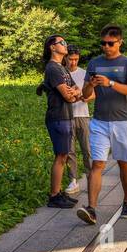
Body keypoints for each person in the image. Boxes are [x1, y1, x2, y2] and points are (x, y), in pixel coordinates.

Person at [76, 25, 127, 226]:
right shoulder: (94, 63)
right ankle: (92, 209)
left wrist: (110, 83)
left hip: (122, 121)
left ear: (119, 42)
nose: (106, 46)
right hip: (99, 121)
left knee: (123, 162)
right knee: (97, 163)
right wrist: (91, 85)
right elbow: (85, 95)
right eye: (103, 43)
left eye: (110, 43)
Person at [38, 34, 81, 207]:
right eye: (61, 42)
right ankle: (54, 196)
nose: (65, 44)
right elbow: (68, 95)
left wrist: (75, 93)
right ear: (52, 47)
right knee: (60, 156)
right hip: (58, 117)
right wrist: (73, 94)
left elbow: (76, 89)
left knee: (64, 155)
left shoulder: (62, 68)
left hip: (67, 116)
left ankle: (58, 192)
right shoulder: (52, 68)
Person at [64, 46, 92, 197]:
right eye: (70, 59)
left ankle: (90, 178)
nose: (73, 62)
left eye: (76, 59)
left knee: (87, 149)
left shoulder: (84, 73)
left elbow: (94, 94)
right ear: (65, 58)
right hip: (66, 115)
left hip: (82, 115)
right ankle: (73, 180)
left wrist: (85, 96)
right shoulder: (61, 73)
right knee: (70, 150)